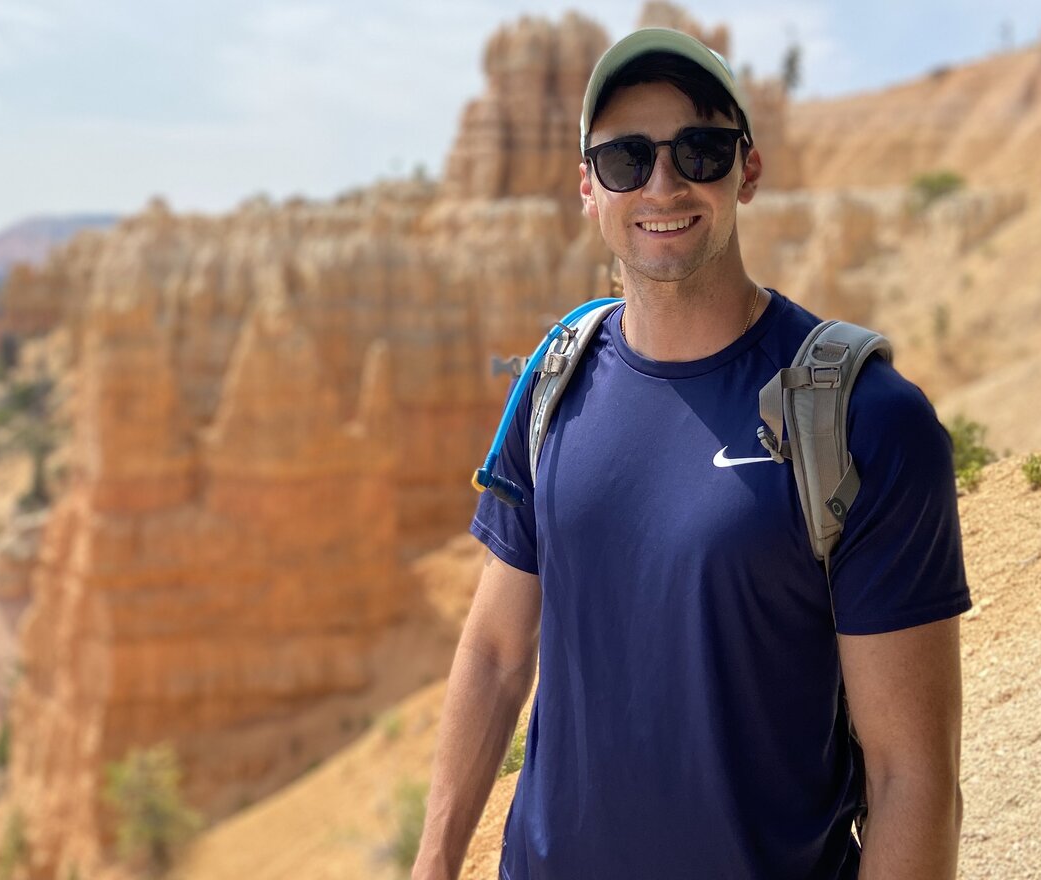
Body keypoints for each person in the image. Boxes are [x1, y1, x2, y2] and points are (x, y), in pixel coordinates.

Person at [412, 27, 972, 880]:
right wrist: (433, 863)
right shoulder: (553, 379)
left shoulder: (865, 419)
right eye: (626, 159)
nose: (664, 184)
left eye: (700, 150)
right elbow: (494, 653)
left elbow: (914, 782)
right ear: (588, 188)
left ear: (747, 168)